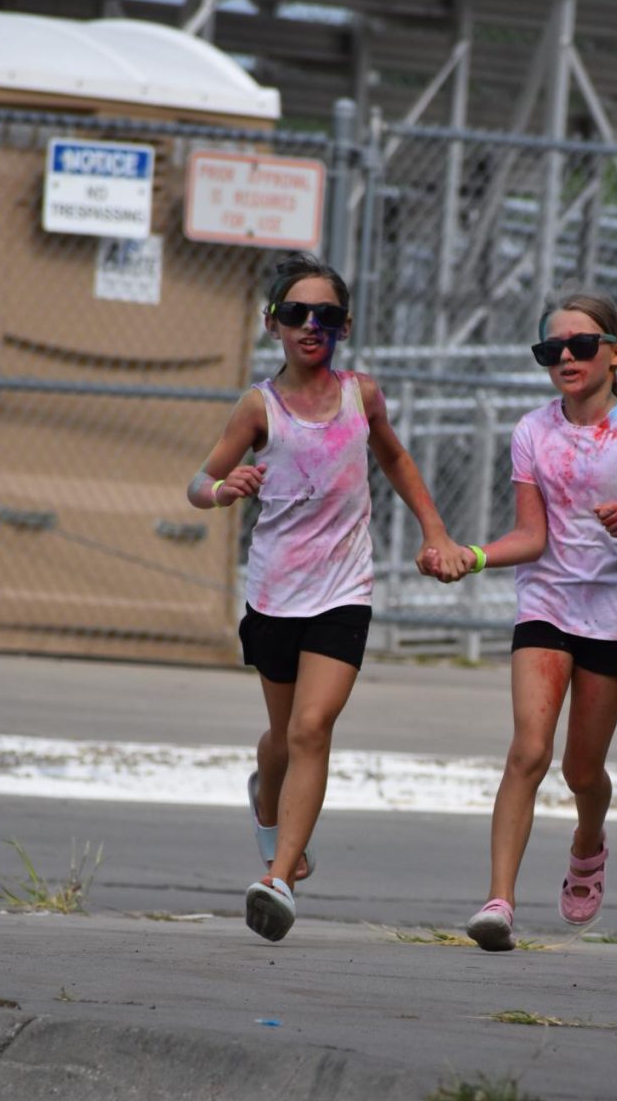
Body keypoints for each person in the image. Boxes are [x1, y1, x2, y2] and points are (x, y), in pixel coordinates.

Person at [425, 284, 617, 951]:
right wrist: (469, 557)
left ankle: (588, 842)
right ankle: (498, 902)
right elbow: (532, 537)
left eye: (580, 345)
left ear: (615, 354)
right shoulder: (532, 430)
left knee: (582, 771)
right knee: (528, 750)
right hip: (547, 605)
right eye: (550, 348)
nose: (565, 356)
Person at [188, 252, 464, 944]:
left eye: (328, 316)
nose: (312, 327)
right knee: (283, 737)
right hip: (276, 592)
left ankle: (278, 878)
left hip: (345, 589)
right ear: (273, 323)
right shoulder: (259, 407)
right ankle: (266, 793)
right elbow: (197, 482)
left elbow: (394, 457)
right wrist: (225, 490)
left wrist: (434, 529)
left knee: (313, 728)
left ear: (345, 325)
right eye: (296, 314)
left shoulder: (361, 395)